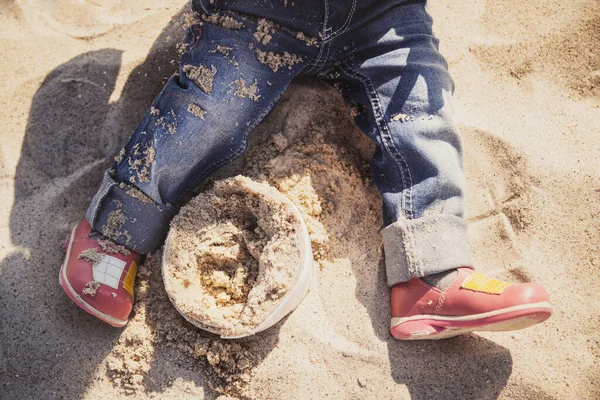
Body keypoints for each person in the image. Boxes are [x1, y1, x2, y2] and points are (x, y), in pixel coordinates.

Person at [59, 0, 552, 339]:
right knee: (209, 113)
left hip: (383, 18)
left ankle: (431, 272)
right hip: (261, 12)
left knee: (422, 114)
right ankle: (119, 227)